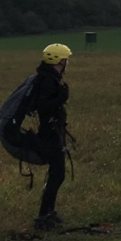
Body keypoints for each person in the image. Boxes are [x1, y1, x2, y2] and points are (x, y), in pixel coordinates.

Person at [34, 43, 72, 230]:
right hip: (50, 134)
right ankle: (43, 216)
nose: (66, 63)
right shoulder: (48, 81)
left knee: (56, 175)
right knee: (57, 175)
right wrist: (61, 98)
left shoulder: (48, 78)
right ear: (59, 60)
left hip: (52, 131)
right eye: (65, 59)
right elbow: (44, 107)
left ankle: (48, 213)